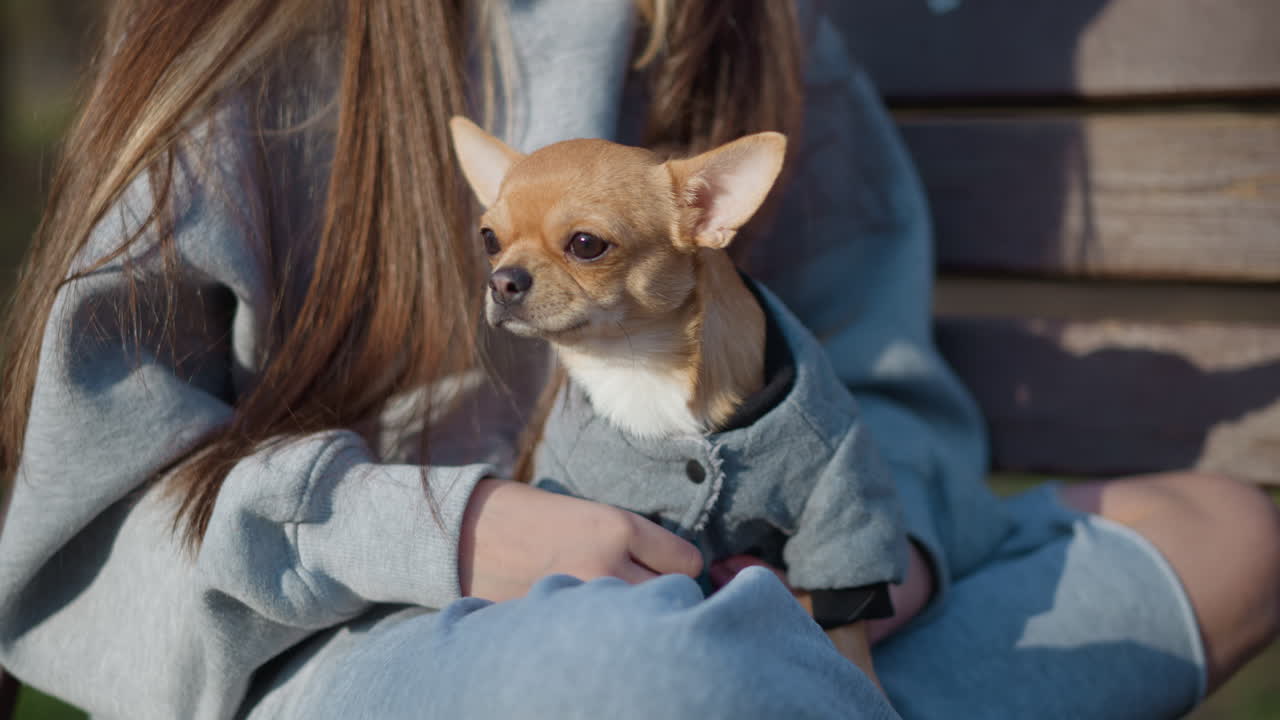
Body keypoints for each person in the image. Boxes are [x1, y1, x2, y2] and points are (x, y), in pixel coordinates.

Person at [0, 1, 1276, 718]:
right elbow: (103, 527)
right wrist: (448, 529)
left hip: (763, 612)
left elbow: (875, 401)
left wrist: (877, 574)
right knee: (646, 669)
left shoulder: (751, 34)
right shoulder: (247, 47)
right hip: (381, 643)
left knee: (1224, 533)